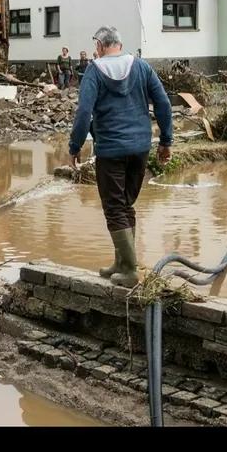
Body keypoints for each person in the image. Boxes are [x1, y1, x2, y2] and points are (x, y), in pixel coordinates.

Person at [68, 26, 174, 287]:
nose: (95, 50)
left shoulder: (94, 70)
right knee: (126, 205)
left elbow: (84, 112)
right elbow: (163, 104)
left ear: (101, 46)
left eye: (96, 46)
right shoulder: (141, 67)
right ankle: (122, 262)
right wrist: (166, 141)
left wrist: (74, 146)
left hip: (111, 149)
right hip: (140, 147)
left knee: (114, 208)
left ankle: (129, 270)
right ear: (119, 43)